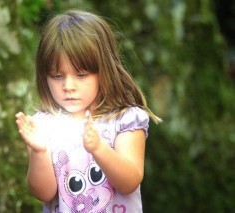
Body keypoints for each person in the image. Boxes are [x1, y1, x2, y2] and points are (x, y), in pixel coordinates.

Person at [15, 9, 161, 213]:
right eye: (57, 76)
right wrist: (39, 152)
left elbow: (129, 181)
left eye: (81, 75)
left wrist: (99, 148)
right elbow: (44, 193)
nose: (68, 86)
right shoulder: (42, 126)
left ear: (104, 71)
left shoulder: (124, 119)